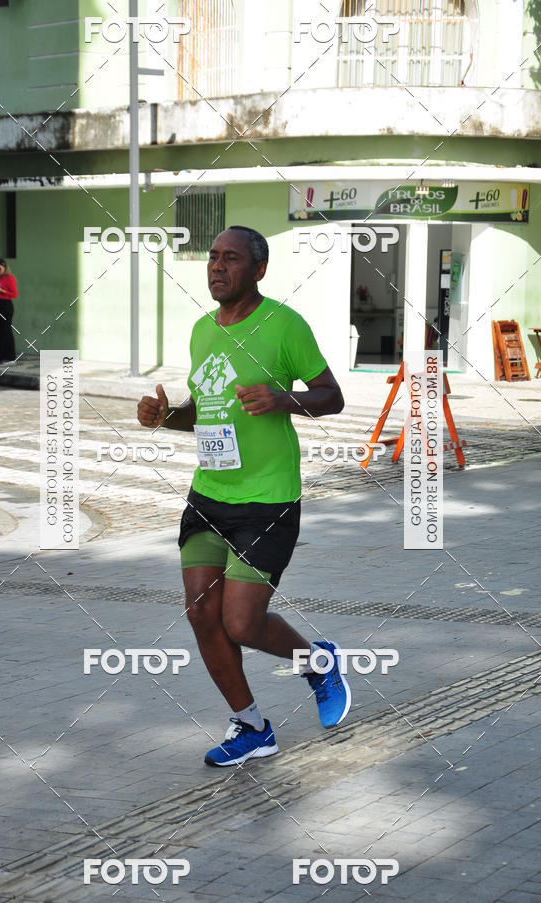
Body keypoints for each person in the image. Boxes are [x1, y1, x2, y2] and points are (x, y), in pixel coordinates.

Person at [137, 226, 352, 767]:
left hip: (267, 500)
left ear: (258, 269)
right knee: (201, 612)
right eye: (212, 257)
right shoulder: (202, 330)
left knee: (241, 622)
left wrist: (285, 398)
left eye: (230, 258)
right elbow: (203, 413)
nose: (216, 266)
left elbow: (332, 396)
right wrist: (166, 417)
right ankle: (252, 726)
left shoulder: (284, 325)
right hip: (209, 494)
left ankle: (319, 663)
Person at [0, 258, 18, 363]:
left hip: (6, 306)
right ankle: (0, 355)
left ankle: (10, 356)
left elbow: (14, 294)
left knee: (6, 330)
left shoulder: (10, 278)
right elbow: (0, 293)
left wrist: (0, 290)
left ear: (5, 268)